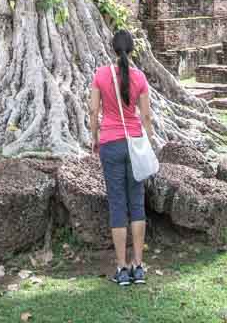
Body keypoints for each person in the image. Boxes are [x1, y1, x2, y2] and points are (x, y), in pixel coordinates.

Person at [89, 28, 154, 288]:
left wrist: (94, 136)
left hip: (110, 144)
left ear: (112, 48)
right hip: (135, 144)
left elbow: (94, 109)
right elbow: (146, 116)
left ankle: (121, 268)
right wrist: (148, 139)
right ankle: (139, 266)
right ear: (132, 49)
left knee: (117, 205)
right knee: (136, 203)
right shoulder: (140, 77)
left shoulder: (101, 75)